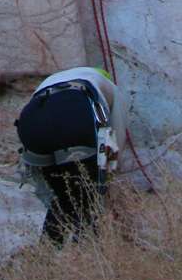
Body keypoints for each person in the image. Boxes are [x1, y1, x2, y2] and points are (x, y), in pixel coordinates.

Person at [15, 64, 125, 244]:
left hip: (32, 122)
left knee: (62, 198)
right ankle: (86, 252)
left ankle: (47, 252)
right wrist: (107, 178)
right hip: (76, 116)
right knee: (90, 195)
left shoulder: (53, 81)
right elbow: (115, 141)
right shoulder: (111, 88)